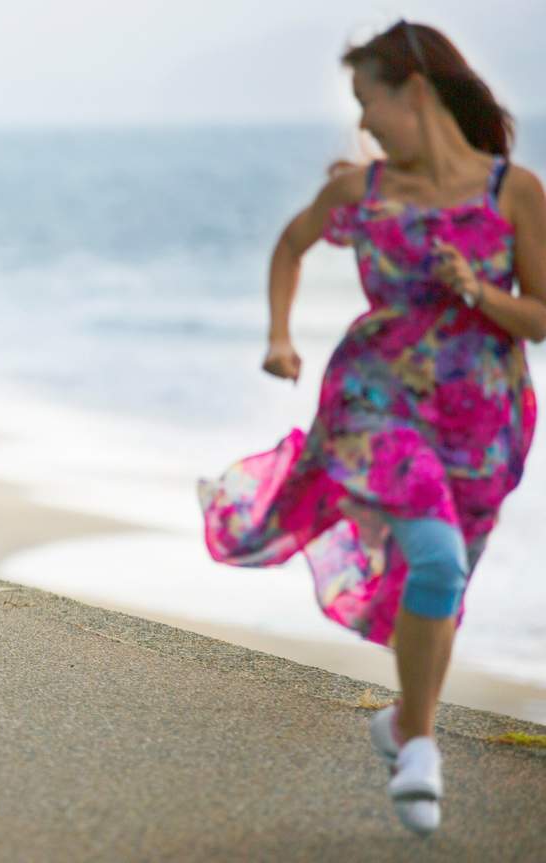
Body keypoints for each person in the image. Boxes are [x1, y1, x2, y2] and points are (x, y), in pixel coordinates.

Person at [198, 20, 546, 835]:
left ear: (413, 92)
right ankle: (422, 749)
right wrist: (278, 336)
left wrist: (478, 291)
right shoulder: (361, 191)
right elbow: (289, 246)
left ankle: (399, 725)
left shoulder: (514, 192)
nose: (362, 123)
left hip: (484, 416)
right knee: (433, 554)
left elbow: (539, 317)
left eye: (369, 101)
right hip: (376, 395)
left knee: (442, 582)